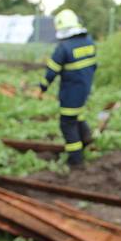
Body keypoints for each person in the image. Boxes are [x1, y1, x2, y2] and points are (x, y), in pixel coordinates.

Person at [39, 9, 96, 167]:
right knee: (77, 116)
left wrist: (41, 88)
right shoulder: (89, 42)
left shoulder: (64, 48)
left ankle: (76, 159)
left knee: (67, 123)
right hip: (85, 90)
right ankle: (86, 137)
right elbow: (93, 66)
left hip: (71, 93)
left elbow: (51, 71)